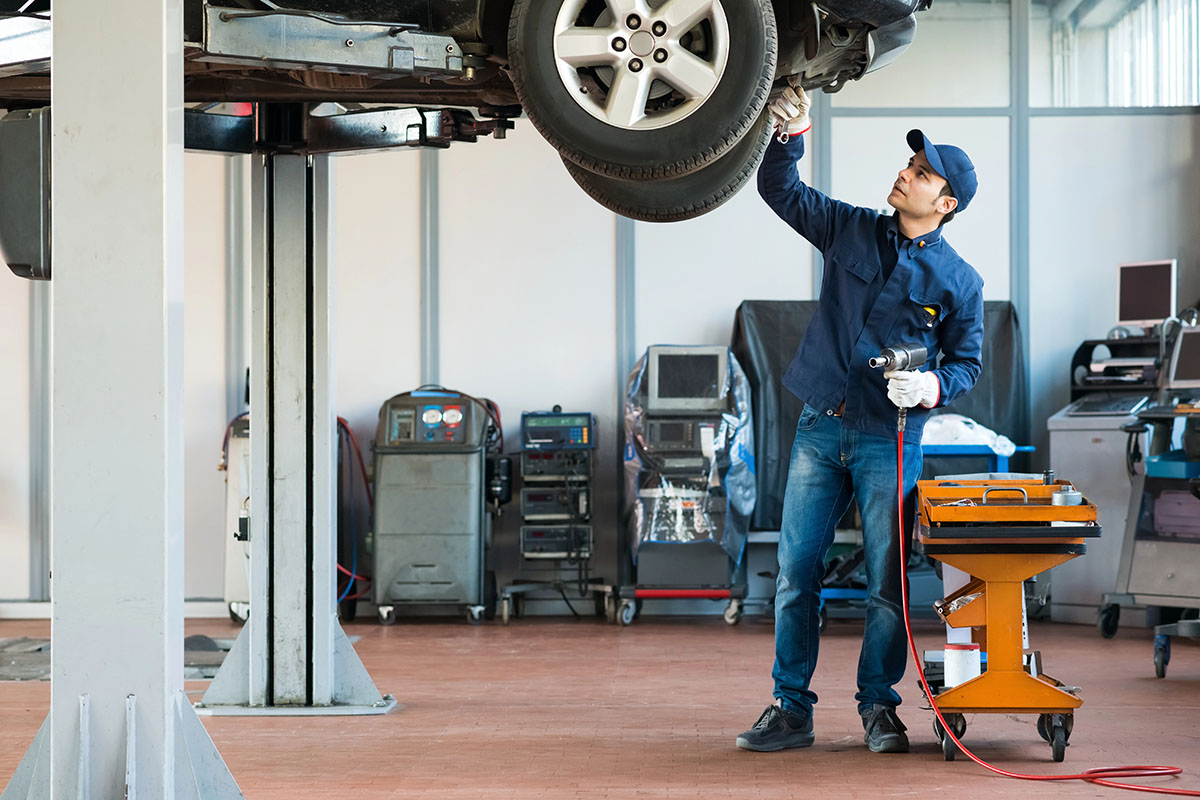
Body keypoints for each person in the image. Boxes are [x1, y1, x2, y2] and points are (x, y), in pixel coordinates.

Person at [735, 81, 985, 754]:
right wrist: (792, 133)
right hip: (820, 427)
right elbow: (781, 192)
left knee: (887, 584)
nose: (906, 174)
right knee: (796, 575)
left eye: (922, 173)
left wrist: (932, 385)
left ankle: (879, 707)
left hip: (891, 441)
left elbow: (968, 365)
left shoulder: (961, 283)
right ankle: (791, 708)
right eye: (910, 165)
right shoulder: (850, 227)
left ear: (946, 202)